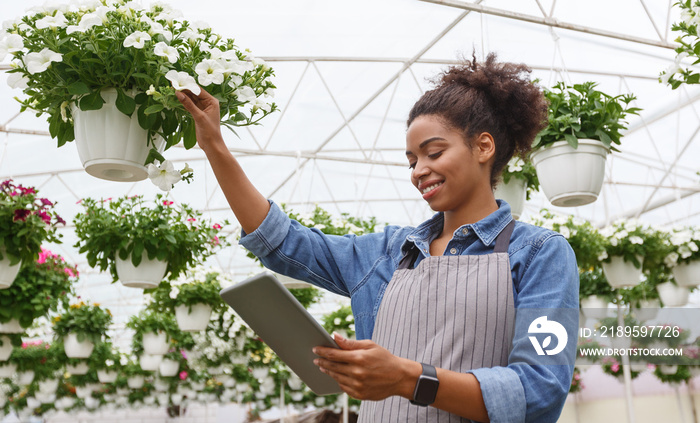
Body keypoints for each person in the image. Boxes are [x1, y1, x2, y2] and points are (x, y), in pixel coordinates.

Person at [176, 53, 579, 423]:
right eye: (411, 161)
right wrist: (214, 144)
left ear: (483, 146)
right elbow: (282, 243)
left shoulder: (540, 255)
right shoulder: (389, 253)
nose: (419, 171)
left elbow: (539, 390)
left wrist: (407, 378)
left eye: (434, 153)